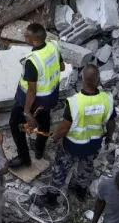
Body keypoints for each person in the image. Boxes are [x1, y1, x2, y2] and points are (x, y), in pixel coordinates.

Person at [49, 64, 115, 197]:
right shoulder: (107, 100)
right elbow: (111, 123)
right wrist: (109, 136)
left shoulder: (75, 102)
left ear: (82, 79)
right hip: (93, 144)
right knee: (87, 165)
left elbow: (64, 127)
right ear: (98, 80)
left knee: (61, 167)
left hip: (73, 145)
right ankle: (81, 190)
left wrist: (55, 137)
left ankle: (51, 196)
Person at [10, 23, 62, 167]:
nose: (24, 37)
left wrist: (27, 111)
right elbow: (61, 66)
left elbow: (32, 90)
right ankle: (39, 149)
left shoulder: (32, 61)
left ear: (33, 41)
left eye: (26, 36)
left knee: (15, 124)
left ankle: (24, 158)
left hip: (32, 100)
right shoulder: (54, 46)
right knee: (44, 119)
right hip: (50, 95)